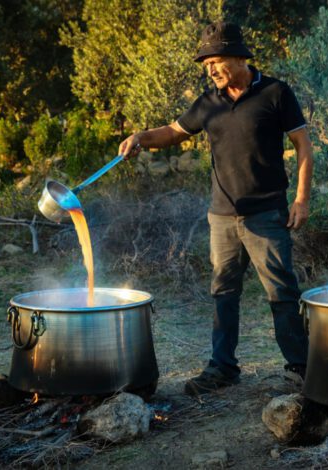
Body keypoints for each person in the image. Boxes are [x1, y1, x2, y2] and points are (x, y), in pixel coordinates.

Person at [118, 21, 312, 395]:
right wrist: (141, 137)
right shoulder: (209, 102)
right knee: (223, 292)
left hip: (268, 213)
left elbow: (303, 145)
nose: (209, 69)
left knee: (282, 292)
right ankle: (223, 368)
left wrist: (301, 199)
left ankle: (302, 367)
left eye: (215, 61)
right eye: (205, 64)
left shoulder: (275, 92)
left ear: (239, 57)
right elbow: (174, 132)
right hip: (222, 216)